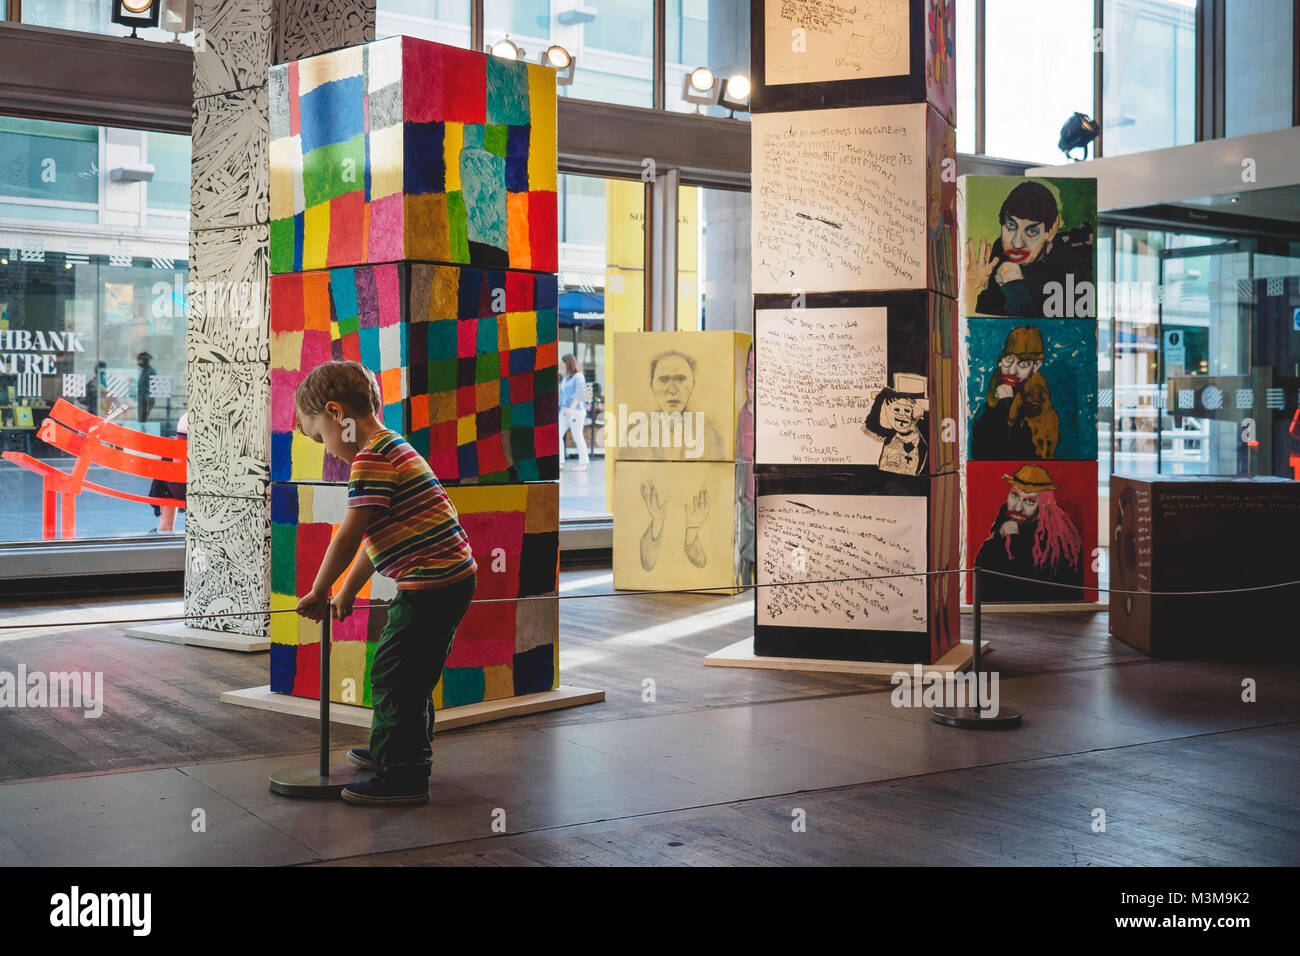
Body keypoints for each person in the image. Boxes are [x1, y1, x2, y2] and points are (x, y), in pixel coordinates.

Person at [293, 360, 477, 807]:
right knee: (410, 672)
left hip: (430, 586)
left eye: (320, 437)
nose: (327, 451)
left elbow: (350, 533)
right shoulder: (392, 447)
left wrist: (319, 590)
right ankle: (394, 750)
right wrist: (347, 590)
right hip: (445, 581)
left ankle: (405, 774)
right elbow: (377, 541)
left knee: (395, 676)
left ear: (337, 413)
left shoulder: (371, 459)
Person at [966, 180, 1094, 317]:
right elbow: (981, 328)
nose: (1017, 243)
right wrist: (970, 289)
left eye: (1031, 232)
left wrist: (1014, 287)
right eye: (1011, 226)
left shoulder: (1070, 266)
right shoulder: (997, 254)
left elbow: (1049, 334)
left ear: (1051, 230)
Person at [974, 464, 1083, 603]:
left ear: (1043, 506)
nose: (1018, 507)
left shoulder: (1056, 546)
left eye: (1030, 501)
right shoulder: (997, 535)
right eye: (1014, 495)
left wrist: (1016, 541)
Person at [971, 325, 1059, 460]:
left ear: (1036, 366)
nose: (1012, 371)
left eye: (1023, 364)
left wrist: (1005, 405)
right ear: (1000, 361)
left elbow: (1020, 454)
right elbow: (981, 454)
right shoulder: (987, 407)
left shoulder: (1040, 409)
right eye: (1008, 360)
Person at [862, 373, 929, 476]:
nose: (901, 415)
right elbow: (870, 426)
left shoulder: (921, 445)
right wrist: (881, 397)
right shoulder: (891, 435)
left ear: (916, 413)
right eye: (897, 409)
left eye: (907, 410)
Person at [149, 412, 188, 533]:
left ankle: (165, 527)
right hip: (226, 487)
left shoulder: (186, 418)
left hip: (183, 490)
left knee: (171, 457)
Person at [557, 353, 589, 472]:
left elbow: (579, 394)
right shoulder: (566, 377)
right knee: (557, 435)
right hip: (564, 410)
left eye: (563, 362)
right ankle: (560, 461)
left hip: (576, 411)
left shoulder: (579, 376)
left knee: (577, 436)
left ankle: (583, 463)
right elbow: (562, 394)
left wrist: (572, 408)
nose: (561, 365)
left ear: (568, 363)